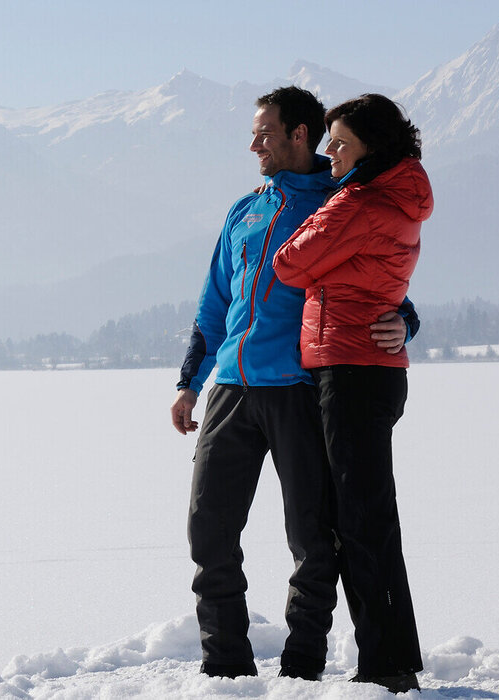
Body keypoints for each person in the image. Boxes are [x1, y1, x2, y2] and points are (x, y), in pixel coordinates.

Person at [172, 86, 416, 681]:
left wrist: (405, 320)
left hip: (300, 390)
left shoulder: (339, 201)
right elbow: (214, 304)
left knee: (313, 538)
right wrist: (189, 382)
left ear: (299, 134)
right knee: (208, 530)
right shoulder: (244, 210)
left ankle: (302, 666)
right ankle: (225, 666)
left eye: (264, 132)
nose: (254, 144)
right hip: (232, 387)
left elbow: (382, 277)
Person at [272, 93, 430, 694]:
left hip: (352, 369)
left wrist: (325, 228)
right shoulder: (392, 194)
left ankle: (388, 667)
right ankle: (387, 658)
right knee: (364, 516)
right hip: (366, 368)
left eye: (339, 142)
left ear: (371, 146)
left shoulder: (360, 201)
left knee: (362, 520)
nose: (329, 152)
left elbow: (290, 263)